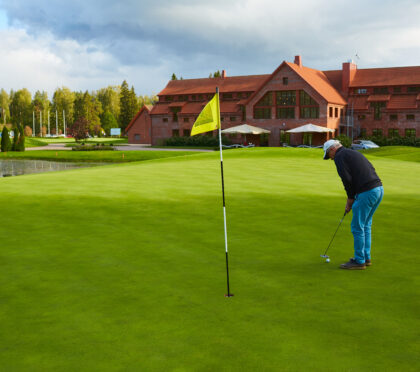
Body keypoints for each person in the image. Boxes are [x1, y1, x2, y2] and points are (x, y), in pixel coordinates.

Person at [323, 139, 384, 270]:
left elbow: (347, 180)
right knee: (366, 225)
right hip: (378, 189)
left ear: (332, 149)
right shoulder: (352, 153)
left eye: (329, 155)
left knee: (357, 227)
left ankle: (359, 261)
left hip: (367, 192)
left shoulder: (340, 156)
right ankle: (365, 257)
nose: (331, 159)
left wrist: (350, 200)